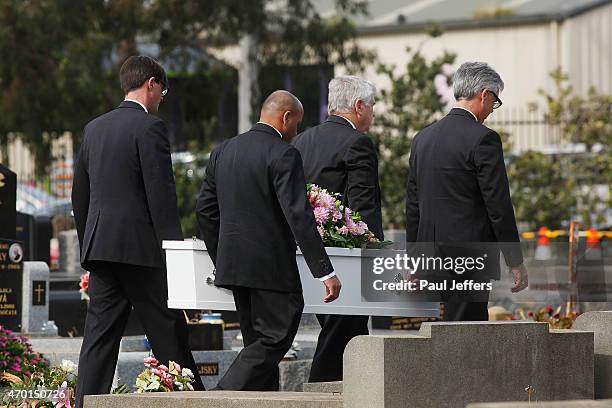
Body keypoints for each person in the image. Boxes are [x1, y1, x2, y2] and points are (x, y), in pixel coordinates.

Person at [72, 55, 205, 407]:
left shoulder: (94, 128)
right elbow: (161, 197)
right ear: (151, 84)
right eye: (163, 90)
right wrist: (173, 256)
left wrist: (90, 244)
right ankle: (194, 401)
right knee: (169, 333)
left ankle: (86, 403)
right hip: (142, 252)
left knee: (98, 341)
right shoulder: (151, 128)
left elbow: (79, 195)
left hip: (102, 249)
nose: (163, 97)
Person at [196, 90, 342, 391]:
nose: (297, 131)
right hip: (271, 269)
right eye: (297, 123)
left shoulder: (223, 150)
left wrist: (221, 257)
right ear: (286, 117)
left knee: (256, 344)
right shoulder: (283, 153)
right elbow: (298, 215)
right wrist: (324, 271)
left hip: (235, 266)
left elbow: (205, 211)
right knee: (276, 336)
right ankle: (220, 396)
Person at [405, 61, 528, 321]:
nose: (492, 110)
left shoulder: (422, 138)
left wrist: (414, 259)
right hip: (469, 256)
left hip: (430, 254)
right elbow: (498, 205)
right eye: (494, 102)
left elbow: (413, 205)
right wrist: (514, 259)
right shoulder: (484, 138)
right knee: (467, 335)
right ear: (484, 94)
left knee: (449, 328)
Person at [292, 75, 383, 383]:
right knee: (343, 333)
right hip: (346, 259)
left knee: (347, 333)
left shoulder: (302, 140)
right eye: (371, 106)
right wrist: (376, 254)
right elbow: (363, 207)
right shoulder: (357, 142)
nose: (372, 113)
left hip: (311, 256)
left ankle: (354, 394)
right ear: (358, 106)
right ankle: (320, 393)